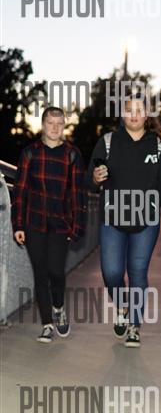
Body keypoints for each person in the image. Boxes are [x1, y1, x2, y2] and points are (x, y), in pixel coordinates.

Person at [87, 96, 161, 348]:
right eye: (129, 110)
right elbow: (89, 182)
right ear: (122, 114)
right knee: (111, 272)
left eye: (139, 110)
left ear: (146, 115)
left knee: (138, 271)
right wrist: (95, 178)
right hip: (112, 219)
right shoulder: (107, 142)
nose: (134, 114)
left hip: (146, 221)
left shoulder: (159, 146)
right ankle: (122, 306)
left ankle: (134, 326)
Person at [12, 106, 86, 343]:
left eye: (59, 123)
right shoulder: (30, 153)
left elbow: (78, 193)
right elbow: (20, 191)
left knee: (56, 271)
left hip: (60, 223)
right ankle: (46, 324)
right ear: (43, 125)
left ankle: (59, 307)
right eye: (50, 123)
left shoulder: (72, 155)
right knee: (40, 273)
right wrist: (18, 225)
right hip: (34, 222)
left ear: (64, 126)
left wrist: (77, 225)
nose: (55, 128)